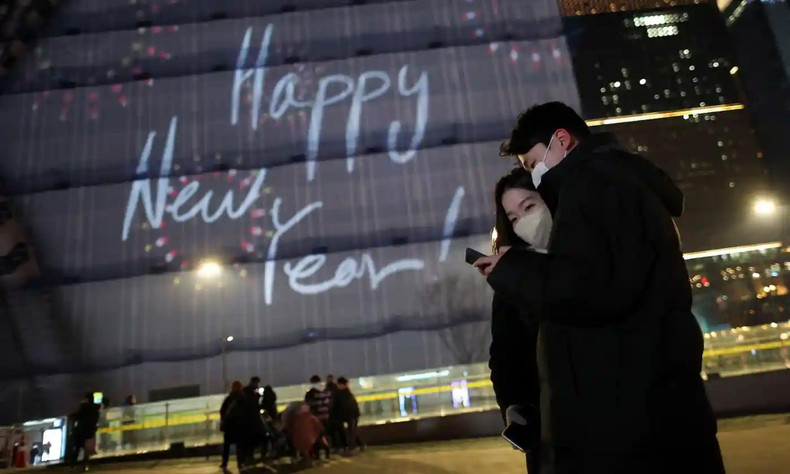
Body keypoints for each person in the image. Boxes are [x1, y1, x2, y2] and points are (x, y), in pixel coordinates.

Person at [475, 102, 724, 473]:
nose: (536, 174)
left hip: (637, 426)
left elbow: (591, 290)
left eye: (532, 164)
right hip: (637, 418)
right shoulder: (610, 181)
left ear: (561, 140)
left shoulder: (597, 185)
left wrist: (514, 272)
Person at [488, 168, 544, 473]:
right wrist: (513, 407)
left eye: (529, 206)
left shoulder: (588, 257)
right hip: (549, 434)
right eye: (513, 218)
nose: (523, 221)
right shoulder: (512, 278)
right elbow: (504, 355)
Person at [331, 377, 364, 455]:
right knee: (352, 431)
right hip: (351, 415)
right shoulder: (346, 393)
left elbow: (341, 406)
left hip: (350, 415)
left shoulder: (343, 394)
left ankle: (352, 448)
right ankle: (359, 445)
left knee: (351, 432)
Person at [69, 392, 100, 472]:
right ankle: (85, 465)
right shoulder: (96, 408)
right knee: (87, 449)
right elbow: (96, 420)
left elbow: (78, 416)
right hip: (89, 431)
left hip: (80, 430)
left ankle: (73, 465)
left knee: (77, 447)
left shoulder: (84, 406)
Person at [304, 375, 332, 458]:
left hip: (316, 418)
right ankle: (327, 450)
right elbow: (330, 403)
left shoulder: (311, 393)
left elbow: (308, 405)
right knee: (324, 434)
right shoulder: (326, 391)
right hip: (326, 416)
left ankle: (317, 453)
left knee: (316, 436)